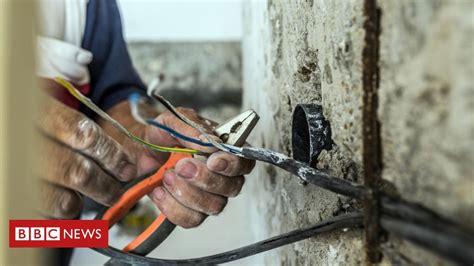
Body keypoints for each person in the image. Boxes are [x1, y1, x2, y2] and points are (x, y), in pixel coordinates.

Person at [37, 0, 254, 245]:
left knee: (84, 237)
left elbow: (110, 98)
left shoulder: (85, 6)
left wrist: (141, 144)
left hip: (42, 242)